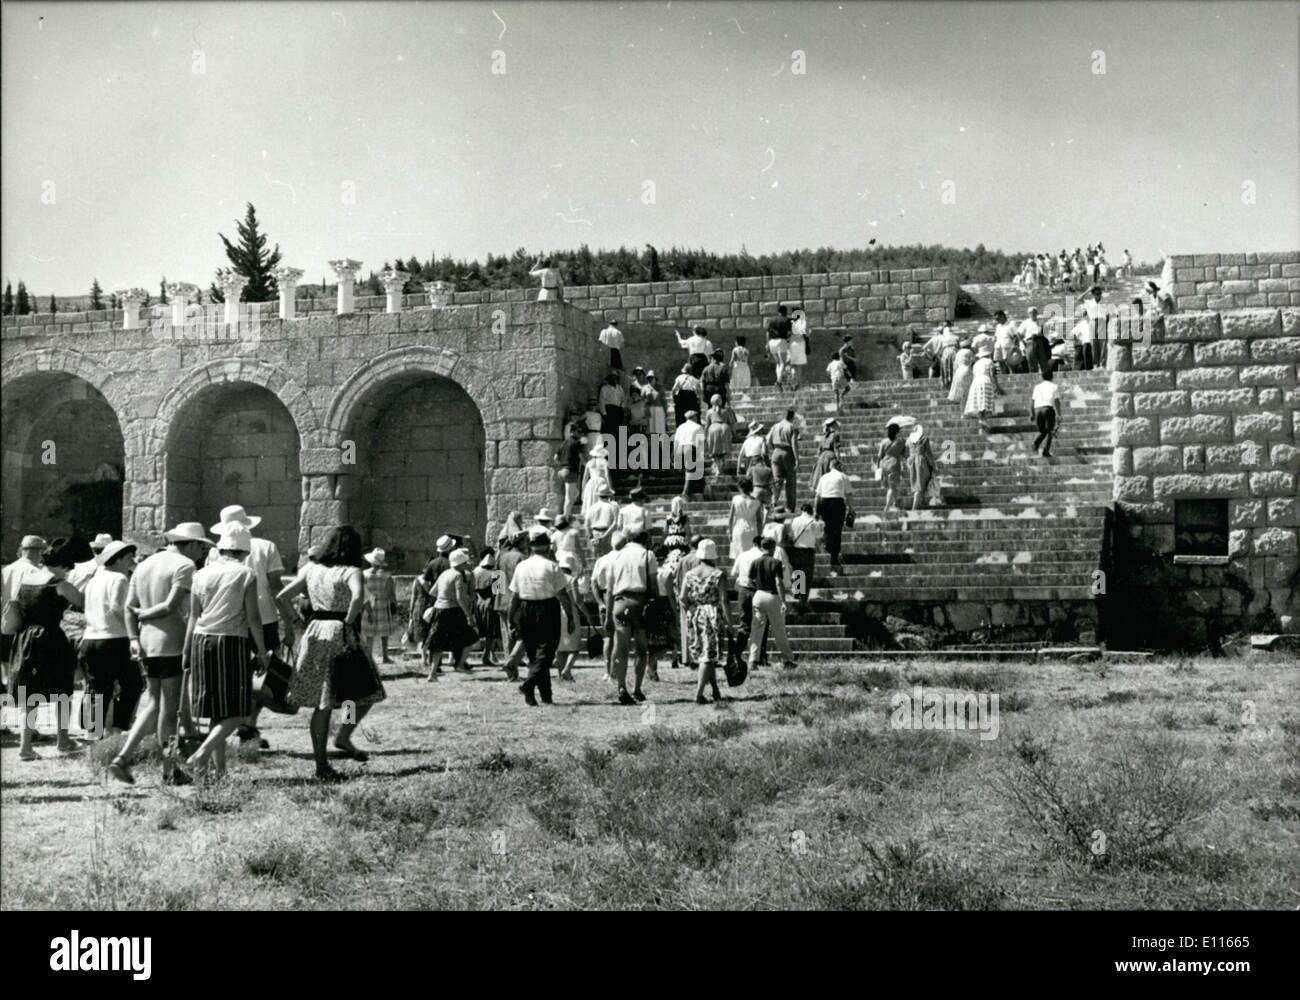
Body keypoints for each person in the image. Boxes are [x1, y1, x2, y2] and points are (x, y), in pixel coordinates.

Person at [274, 525, 384, 781]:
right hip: (340, 632)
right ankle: (343, 734)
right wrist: (347, 621)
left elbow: (281, 596)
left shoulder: (311, 569)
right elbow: (358, 597)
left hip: (314, 631)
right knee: (360, 692)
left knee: (325, 701)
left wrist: (295, 622)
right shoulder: (351, 570)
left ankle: (322, 762)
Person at [110, 523, 214, 785]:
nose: (201, 553)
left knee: (155, 703)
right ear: (189, 544)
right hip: (171, 643)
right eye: (201, 547)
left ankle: (123, 757)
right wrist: (145, 615)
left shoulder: (144, 565)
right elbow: (170, 606)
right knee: (170, 710)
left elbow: (127, 608)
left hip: (146, 643)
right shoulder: (185, 566)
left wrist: (134, 636)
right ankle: (169, 769)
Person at [184, 522, 272, 779]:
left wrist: (186, 649)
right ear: (244, 551)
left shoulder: (200, 574)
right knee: (237, 710)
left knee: (215, 709)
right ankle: (201, 754)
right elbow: (253, 618)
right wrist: (263, 652)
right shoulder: (245, 574)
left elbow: (193, 616)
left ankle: (219, 770)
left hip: (201, 640)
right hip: (230, 641)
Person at [207, 504, 286, 752]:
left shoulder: (213, 553)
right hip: (262, 618)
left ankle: (97, 733)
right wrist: (289, 620)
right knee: (261, 677)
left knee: (100, 689)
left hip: (226, 623)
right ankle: (246, 725)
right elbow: (275, 587)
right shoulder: (266, 546)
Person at [9, 538, 84, 760]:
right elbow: (83, 601)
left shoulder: (26, 581)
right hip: (50, 639)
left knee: (30, 694)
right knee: (62, 691)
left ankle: (25, 747)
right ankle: (62, 741)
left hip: (26, 638)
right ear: (63, 565)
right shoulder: (59, 583)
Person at [78, 539, 140, 736]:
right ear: (119, 559)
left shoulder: (94, 580)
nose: (131, 561)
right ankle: (117, 728)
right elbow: (116, 607)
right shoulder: (119, 579)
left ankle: (93, 733)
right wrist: (133, 632)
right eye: (129, 557)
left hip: (91, 638)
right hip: (114, 638)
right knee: (133, 684)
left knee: (98, 687)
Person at [508, 527, 576, 706]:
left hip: (523, 606)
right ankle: (530, 685)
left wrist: (508, 615)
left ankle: (544, 695)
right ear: (547, 547)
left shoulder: (516, 563)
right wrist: (570, 616)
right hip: (545, 608)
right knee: (545, 652)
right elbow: (563, 594)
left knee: (533, 653)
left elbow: (510, 592)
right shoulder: (551, 566)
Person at [606, 530, 659, 704]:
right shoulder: (647, 555)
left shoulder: (616, 556)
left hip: (619, 602)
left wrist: (608, 614)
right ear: (645, 540)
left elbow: (609, 588)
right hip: (640, 602)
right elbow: (653, 583)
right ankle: (637, 688)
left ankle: (621, 687)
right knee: (641, 649)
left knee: (621, 647)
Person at [681, 540, 733, 704]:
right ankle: (698, 694)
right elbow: (724, 600)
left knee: (707, 653)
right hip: (712, 613)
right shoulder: (718, 574)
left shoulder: (689, 574)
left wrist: (690, 610)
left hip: (696, 612)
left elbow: (682, 597)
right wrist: (730, 623)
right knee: (708, 655)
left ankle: (715, 690)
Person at [745, 537, 798, 672]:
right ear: (773, 548)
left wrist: (757, 587)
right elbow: (778, 583)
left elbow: (749, 581)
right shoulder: (776, 563)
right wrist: (784, 601)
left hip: (758, 595)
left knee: (756, 630)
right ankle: (787, 659)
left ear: (762, 547)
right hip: (772, 596)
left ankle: (753, 660)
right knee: (779, 630)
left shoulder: (755, 562)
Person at [427, 548, 476, 676]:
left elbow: (432, 592)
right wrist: (469, 615)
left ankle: (432, 673)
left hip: (439, 609)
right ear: (460, 564)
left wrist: (445, 594)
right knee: (470, 638)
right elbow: (461, 598)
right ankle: (460, 664)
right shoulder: (459, 575)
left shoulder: (444, 574)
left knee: (438, 643)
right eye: (464, 563)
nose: (466, 565)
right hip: (452, 611)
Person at [589, 530, 627, 682]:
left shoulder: (602, 560)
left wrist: (600, 603)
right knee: (618, 635)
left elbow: (593, 583)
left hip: (605, 595)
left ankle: (608, 671)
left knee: (608, 637)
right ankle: (615, 670)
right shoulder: (624, 559)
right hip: (620, 596)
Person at [413, 535, 455, 673]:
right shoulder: (451, 563)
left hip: (437, 601)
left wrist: (433, 593)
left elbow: (425, 580)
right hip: (451, 600)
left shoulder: (432, 563)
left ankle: (435, 663)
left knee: (435, 632)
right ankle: (456, 660)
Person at [731, 535, 769, 668]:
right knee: (761, 623)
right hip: (759, 590)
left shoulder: (742, 555)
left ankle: (737, 654)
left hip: (743, 589)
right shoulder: (763, 556)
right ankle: (760, 656)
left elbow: (734, 573)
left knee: (744, 623)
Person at [358, 547, 398, 665]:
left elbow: (362, 592)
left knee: (369, 633)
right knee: (384, 632)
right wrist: (394, 605)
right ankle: (385, 656)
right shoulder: (387, 576)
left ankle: (369, 656)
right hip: (383, 603)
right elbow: (391, 593)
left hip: (368, 603)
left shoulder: (364, 574)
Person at [554, 552, 584, 681]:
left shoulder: (555, 579)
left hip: (556, 613)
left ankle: (561, 674)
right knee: (574, 646)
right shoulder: (572, 579)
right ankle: (567, 670)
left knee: (560, 647)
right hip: (569, 612)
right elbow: (577, 600)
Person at [787, 503, 821, 612]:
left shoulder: (795, 520)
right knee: (807, 576)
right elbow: (819, 536)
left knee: (798, 573)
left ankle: (797, 596)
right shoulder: (813, 522)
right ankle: (803, 599)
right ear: (811, 511)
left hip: (796, 550)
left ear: (802, 510)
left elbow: (791, 535)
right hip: (808, 551)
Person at [767, 408, 800, 513]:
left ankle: (773, 502)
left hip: (776, 452)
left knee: (777, 481)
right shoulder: (792, 427)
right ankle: (790, 507)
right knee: (790, 482)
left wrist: (774, 448)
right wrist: (797, 459)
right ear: (792, 416)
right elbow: (794, 443)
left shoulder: (775, 426)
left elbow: (767, 441)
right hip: (787, 452)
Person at [964, 347, 1004, 426]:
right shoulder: (990, 362)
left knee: (979, 403)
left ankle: (981, 420)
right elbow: (992, 375)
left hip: (976, 382)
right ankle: (984, 420)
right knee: (985, 403)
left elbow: (973, 375)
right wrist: (997, 386)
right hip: (986, 381)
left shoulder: (976, 364)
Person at [554, 422, 586, 517]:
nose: (581, 434)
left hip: (562, 471)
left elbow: (555, 457)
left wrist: (562, 466)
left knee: (575, 493)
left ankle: (568, 513)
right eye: (579, 432)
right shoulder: (576, 443)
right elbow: (581, 457)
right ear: (573, 432)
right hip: (570, 471)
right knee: (569, 497)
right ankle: (565, 516)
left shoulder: (564, 443)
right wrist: (588, 465)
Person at [728, 478, 764, 560]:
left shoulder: (736, 499)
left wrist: (730, 532)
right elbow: (759, 520)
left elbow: (730, 517)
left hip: (738, 527)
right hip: (752, 528)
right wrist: (759, 534)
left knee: (739, 553)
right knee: (751, 554)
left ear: (740, 487)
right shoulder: (756, 502)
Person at [1031, 369, 1063, 458]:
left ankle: (1035, 443)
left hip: (1037, 409)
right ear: (1052, 377)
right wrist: (1059, 414)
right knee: (1050, 431)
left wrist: (1032, 414)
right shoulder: (1054, 386)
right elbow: (1057, 401)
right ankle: (1046, 450)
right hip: (1047, 409)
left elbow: (1032, 402)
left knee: (1042, 431)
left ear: (1042, 377)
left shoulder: (1037, 387)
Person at [673, 409, 706, 497]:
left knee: (688, 470)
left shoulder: (680, 427)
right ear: (694, 417)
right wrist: (701, 454)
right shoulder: (698, 427)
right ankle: (685, 491)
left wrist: (674, 455)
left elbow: (676, 442)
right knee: (690, 471)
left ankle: (693, 488)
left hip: (680, 448)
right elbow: (701, 442)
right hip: (690, 447)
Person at [877, 421, 907, 515]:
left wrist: (878, 468)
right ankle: (887, 507)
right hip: (894, 465)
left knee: (891, 487)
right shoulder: (900, 441)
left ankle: (895, 504)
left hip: (884, 464)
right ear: (897, 432)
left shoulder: (884, 442)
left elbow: (879, 456)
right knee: (892, 487)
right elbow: (904, 454)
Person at [585, 482, 620, 559]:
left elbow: (587, 524)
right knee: (609, 558)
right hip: (608, 533)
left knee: (597, 558)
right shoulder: (613, 506)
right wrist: (605, 536)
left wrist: (591, 537)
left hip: (595, 533)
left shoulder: (592, 507)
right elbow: (615, 523)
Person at [908, 424, 938, 511]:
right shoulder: (924, 439)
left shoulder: (909, 439)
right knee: (920, 486)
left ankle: (920, 505)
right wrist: (933, 465)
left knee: (918, 485)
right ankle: (914, 508)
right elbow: (928, 453)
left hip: (911, 462)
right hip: (921, 462)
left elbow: (906, 451)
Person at [808, 417, 841, 492]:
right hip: (830, 457)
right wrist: (838, 460)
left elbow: (818, 451)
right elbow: (836, 449)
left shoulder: (823, 437)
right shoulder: (835, 435)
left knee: (821, 479)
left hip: (822, 458)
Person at [1079, 285, 1107, 370]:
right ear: (1093, 294)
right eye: (1096, 294)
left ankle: (1102, 364)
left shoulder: (1104, 302)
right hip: (1093, 322)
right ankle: (1095, 364)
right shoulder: (1089, 302)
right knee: (1094, 345)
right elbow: (1079, 299)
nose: (1098, 295)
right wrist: (1087, 290)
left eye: (1099, 294)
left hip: (1102, 322)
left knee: (1103, 344)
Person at [765, 305, 793, 387]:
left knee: (778, 363)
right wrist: (789, 340)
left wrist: (767, 343)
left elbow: (767, 332)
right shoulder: (787, 320)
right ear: (786, 312)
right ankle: (779, 382)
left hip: (771, 342)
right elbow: (790, 332)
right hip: (781, 341)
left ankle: (778, 379)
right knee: (783, 363)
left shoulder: (771, 320)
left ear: (778, 312)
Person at [581, 440, 611, 515]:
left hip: (591, 482)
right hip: (601, 482)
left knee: (590, 500)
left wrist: (583, 490)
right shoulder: (604, 462)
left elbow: (585, 478)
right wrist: (610, 487)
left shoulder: (589, 463)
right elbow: (607, 475)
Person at [705, 394, 731, 476]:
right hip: (724, 428)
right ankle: (720, 467)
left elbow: (707, 425)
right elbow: (730, 422)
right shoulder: (725, 411)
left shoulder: (709, 412)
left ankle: (718, 468)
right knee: (723, 450)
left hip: (714, 429)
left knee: (714, 451)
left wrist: (705, 435)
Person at [1020, 307, 1051, 378]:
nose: (1032, 314)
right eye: (1030, 313)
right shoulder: (1025, 322)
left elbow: (1046, 330)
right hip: (1030, 341)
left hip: (1040, 341)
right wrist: (1024, 343)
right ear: (1028, 314)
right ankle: (1034, 377)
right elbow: (1019, 333)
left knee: (1043, 360)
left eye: (1034, 312)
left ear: (1036, 313)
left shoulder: (1041, 321)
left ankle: (1046, 377)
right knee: (1031, 361)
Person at [598, 372, 626, 437]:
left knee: (619, 430)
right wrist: (604, 413)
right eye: (613, 377)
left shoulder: (619, 388)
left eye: (616, 377)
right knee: (610, 430)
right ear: (609, 378)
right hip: (610, 410)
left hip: (618, 410)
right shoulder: (604, 388)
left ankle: (618, 445)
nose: (614, 379)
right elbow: (602, 401)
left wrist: (622, 408)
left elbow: (623, 399)